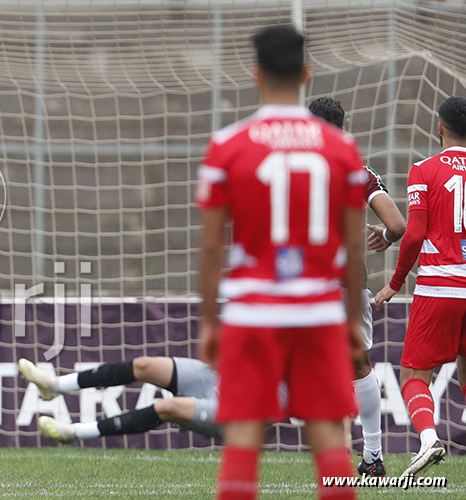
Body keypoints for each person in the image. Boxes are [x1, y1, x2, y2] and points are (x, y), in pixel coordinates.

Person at [197, 25, 368, 500]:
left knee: (244, 439)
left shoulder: (227, 145)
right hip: (317, 309)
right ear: (307, 74)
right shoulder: (343, 150)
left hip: (253, 311)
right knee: (331, 438)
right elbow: (354, 249)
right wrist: (352, 317)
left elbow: (212, 250)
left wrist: (209, 321)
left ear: (256, 76)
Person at [308, 96, 406, 477]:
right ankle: (373, 455)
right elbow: (398, 226)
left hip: (302, 281)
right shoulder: (359, 171)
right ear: (343, 126)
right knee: (358, 364)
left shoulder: (293, 166)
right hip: (349, 281)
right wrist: (384, 234)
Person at [373, 96, 466, 479]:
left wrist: (394, 284)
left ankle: (428, 440)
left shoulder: (424, 170)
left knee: (414, 376)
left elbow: (413, 235)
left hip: (439, 288)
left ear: (439, 127)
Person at [20, 357, 223, 443]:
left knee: (168, 408)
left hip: (245, 408)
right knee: (144, 365)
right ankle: (54, 386)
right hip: (226, 378)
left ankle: (74, 433)